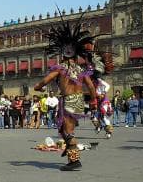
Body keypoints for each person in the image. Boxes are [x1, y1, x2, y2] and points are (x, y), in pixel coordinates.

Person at [34, 14, 98, 171]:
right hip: (78, 100)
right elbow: (90, 86)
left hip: (68, 100)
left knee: (68, 132)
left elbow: (45, 81)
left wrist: (38, 87)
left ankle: (74, 160)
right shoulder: (81, 70)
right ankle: (70, 150)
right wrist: (93, 101)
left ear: (63, 53)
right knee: (63, 129)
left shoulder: (60, 68)